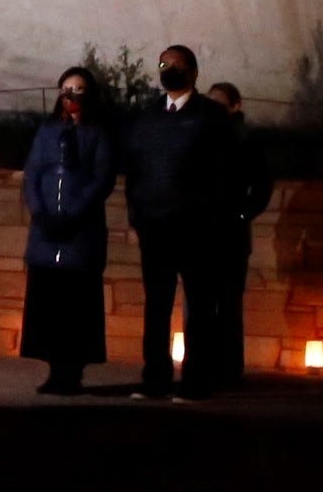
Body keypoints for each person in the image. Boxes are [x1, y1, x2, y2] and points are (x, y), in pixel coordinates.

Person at [121, 44, 237, 398]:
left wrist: (213, 216)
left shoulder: (212, 117)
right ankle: (154, 378)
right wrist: (136, 216)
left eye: (177, 65)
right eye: (164, 64)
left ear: (193, 72)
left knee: (199, 308)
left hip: (196, 230)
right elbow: (134, 170)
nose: (169, 69)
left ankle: (196, 381)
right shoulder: (148, 115)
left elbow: (226, 173)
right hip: (155, 227)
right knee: (156, 306)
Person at [20, 67, 118, 393]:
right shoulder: (46, 132)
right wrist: (40, 212)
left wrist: (73, 214)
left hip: (79, 233)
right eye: (66, 88)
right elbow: (33, 174)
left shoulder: (98, 133)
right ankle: (53, 369)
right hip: (46, 233)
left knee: (76, 306)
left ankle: (72, 371)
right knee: (48, 304)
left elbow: (101, 179)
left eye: (78, 89)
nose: (71, 95)